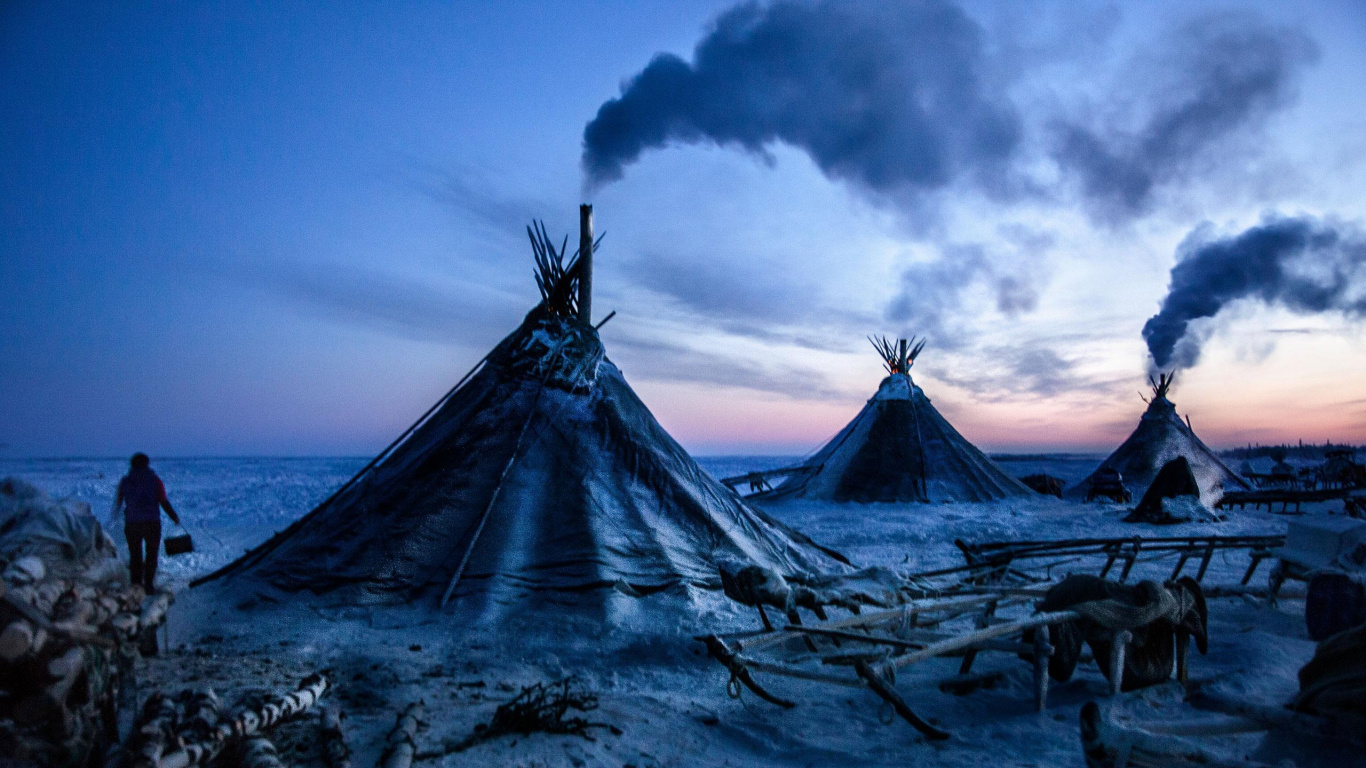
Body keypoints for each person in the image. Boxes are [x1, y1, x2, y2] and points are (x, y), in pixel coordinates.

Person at [113, 453, 180, 590]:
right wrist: (173, 516)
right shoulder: (155, 480)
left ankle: (136, 585)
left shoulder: (125, 481)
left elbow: (118, 503)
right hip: (152, 523)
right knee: (151, 553)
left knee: (135, 554)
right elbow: (163, 501)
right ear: (147, 464)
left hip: (132, 524)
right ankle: (149, 584)